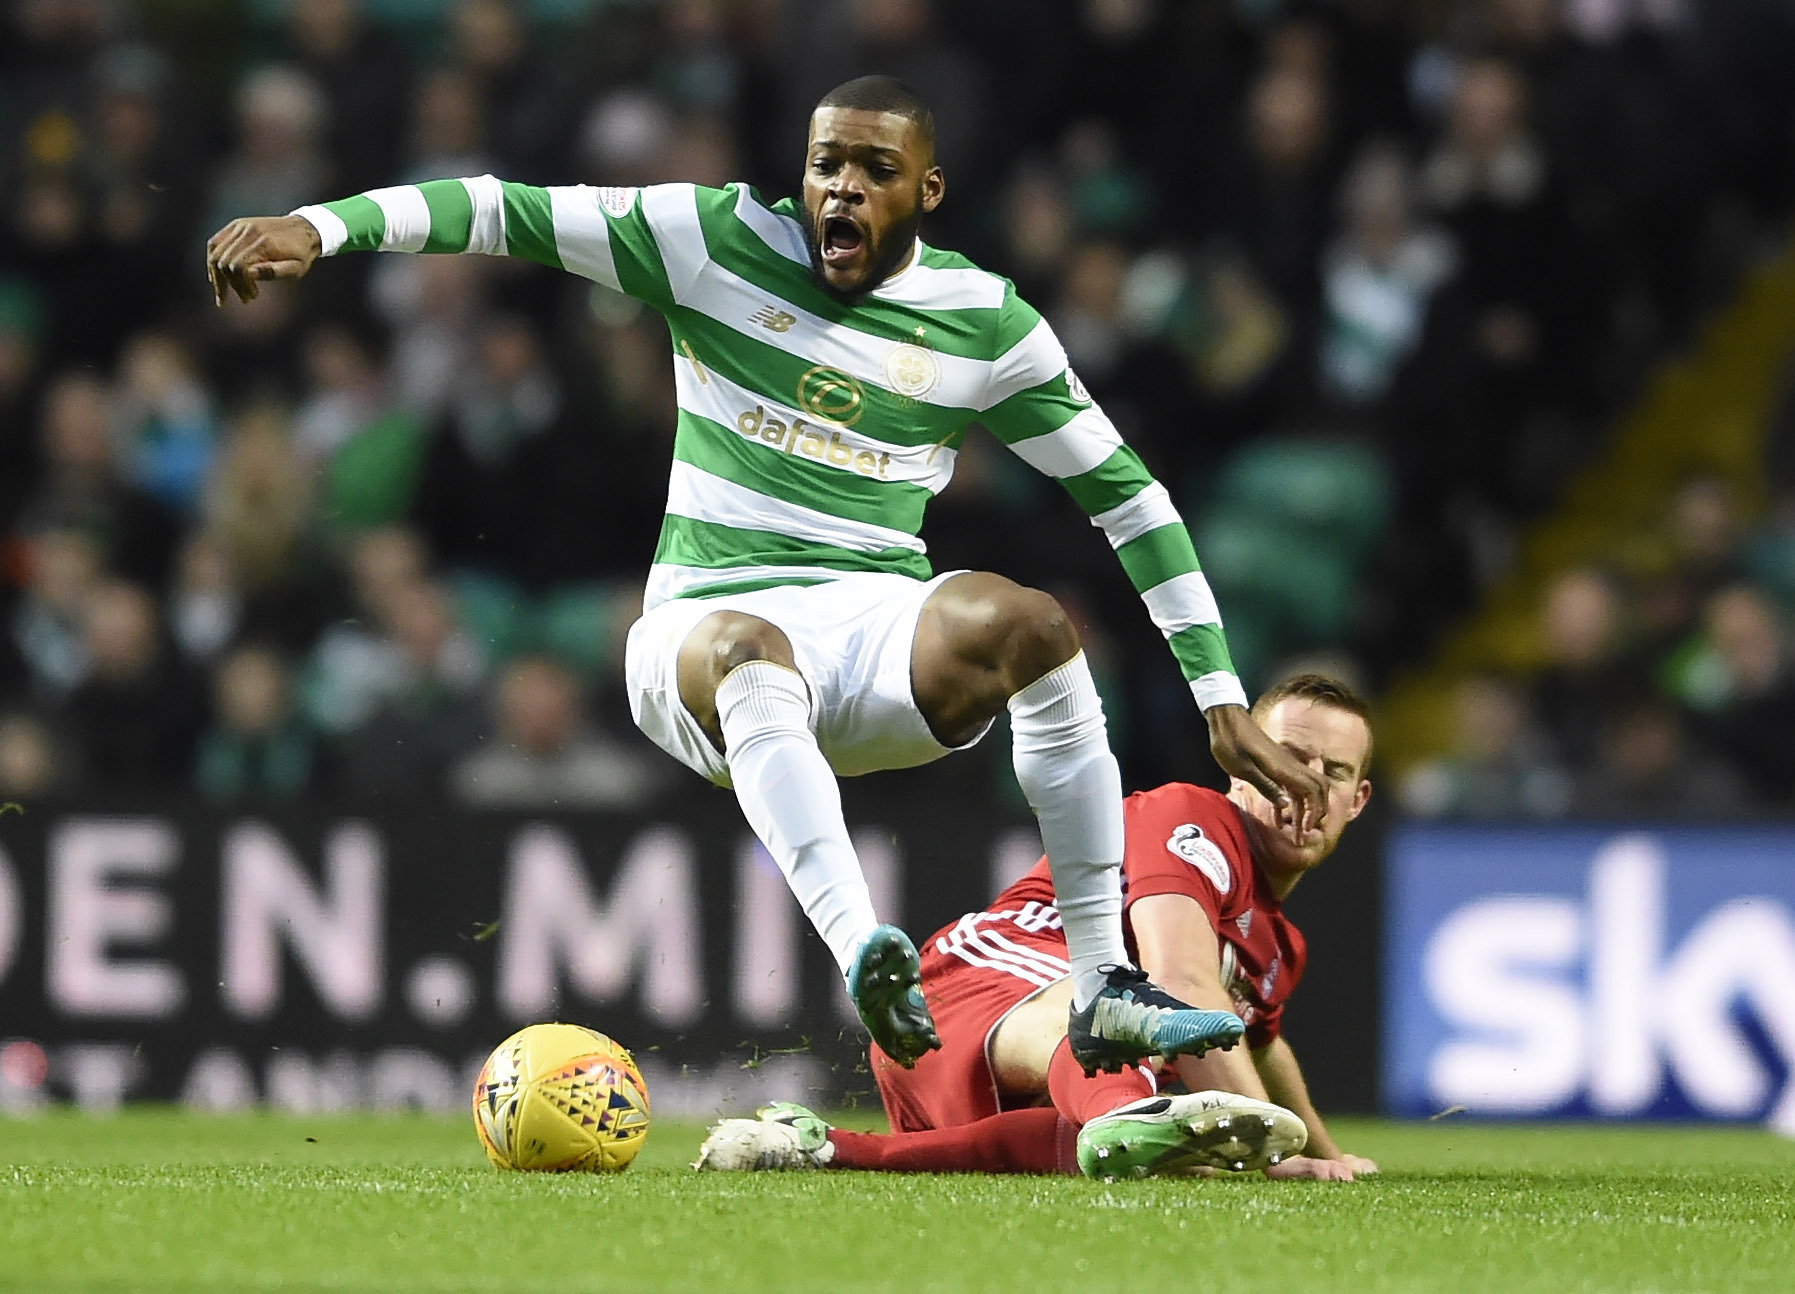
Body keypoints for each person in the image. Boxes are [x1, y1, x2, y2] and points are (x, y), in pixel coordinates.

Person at [204, 75, 1327, 1076]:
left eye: (874, 170)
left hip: (875, 625)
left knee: (1032, 623)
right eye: (824, 163)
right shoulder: (707, 238)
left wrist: (1219, 698)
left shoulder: (984, 321)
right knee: (753, 649)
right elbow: (501, 208)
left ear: (927, 192)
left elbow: (1128, 497)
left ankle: (1100, 989)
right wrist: (321, 227)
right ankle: (861, 951)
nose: (840, 189)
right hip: (700, 628)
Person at [697, 674, 1380, 1181]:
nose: (1308, 785)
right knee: (1133, 1013)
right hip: (970, 989)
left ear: (1357, 800)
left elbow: (1260, 1041)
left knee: (1159, 1152)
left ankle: (822, 1147)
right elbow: (1182, 979)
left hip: (1030, 1082)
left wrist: (1326, 1157)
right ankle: (1120, 1108)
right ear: (1242, 769)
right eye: (1288, 759)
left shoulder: (1278, 946)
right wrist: (1274, 1158)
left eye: (1333, 772)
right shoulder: (1192, 816)